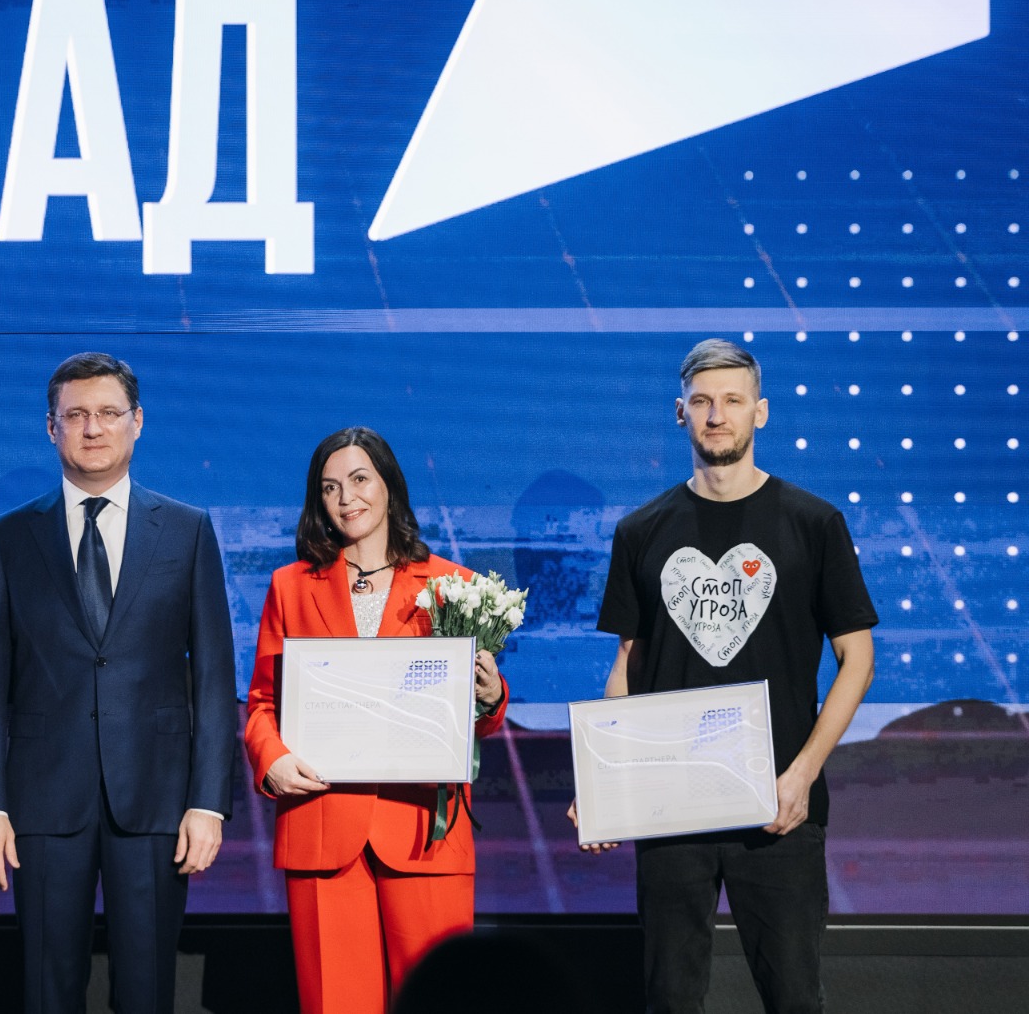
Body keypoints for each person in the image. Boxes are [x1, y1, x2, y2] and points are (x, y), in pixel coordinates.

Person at [574, 339, 878, 1014]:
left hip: (778, 807)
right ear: (679, 412)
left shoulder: (814, 523)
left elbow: (857, 660)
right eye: (702, 402)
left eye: (733, 401)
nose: (717, 415)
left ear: (759, 412)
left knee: (794, 998)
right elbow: (627, 666)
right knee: (670, 998)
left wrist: (801, 776)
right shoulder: (640, 531)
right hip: (670, 806)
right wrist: (603, 784)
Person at [0, 351, 237, 1014]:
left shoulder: (187, 530)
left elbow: (213, 678)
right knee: (47, 990)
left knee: (147, 991)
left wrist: (208, 802)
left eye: (109, 413)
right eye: (76, 415)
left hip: (156, 801)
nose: (93, 428)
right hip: (41, 803)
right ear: (50, 427)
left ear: (137, 422)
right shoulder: (8, 538)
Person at [244, 426, 509, 1014]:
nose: (346, 498)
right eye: (330, 487)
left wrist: (490, 697)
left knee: (440, 1002)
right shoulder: (290, 587)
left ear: (389, 485)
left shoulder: (453, 586)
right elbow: (263, 702)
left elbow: (475, 722)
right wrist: (273, 760)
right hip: (321, 827)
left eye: (360, 479)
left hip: (422, 831)